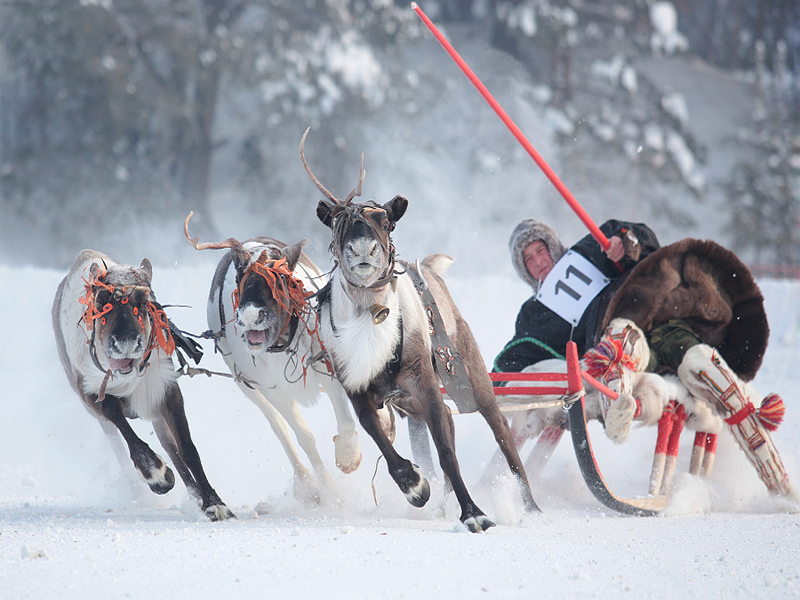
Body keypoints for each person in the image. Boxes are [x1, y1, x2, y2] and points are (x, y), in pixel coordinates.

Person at [494, 218, 660, 373]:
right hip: (584, 377)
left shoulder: (590, 253)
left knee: (620, 334)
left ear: (552, 247)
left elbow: (644, 240)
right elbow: (519, 354)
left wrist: (624, 241)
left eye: (540, 251)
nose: (538, 261)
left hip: (637, 338)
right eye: (528, 259)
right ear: (524, 271)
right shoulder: (532, 313)